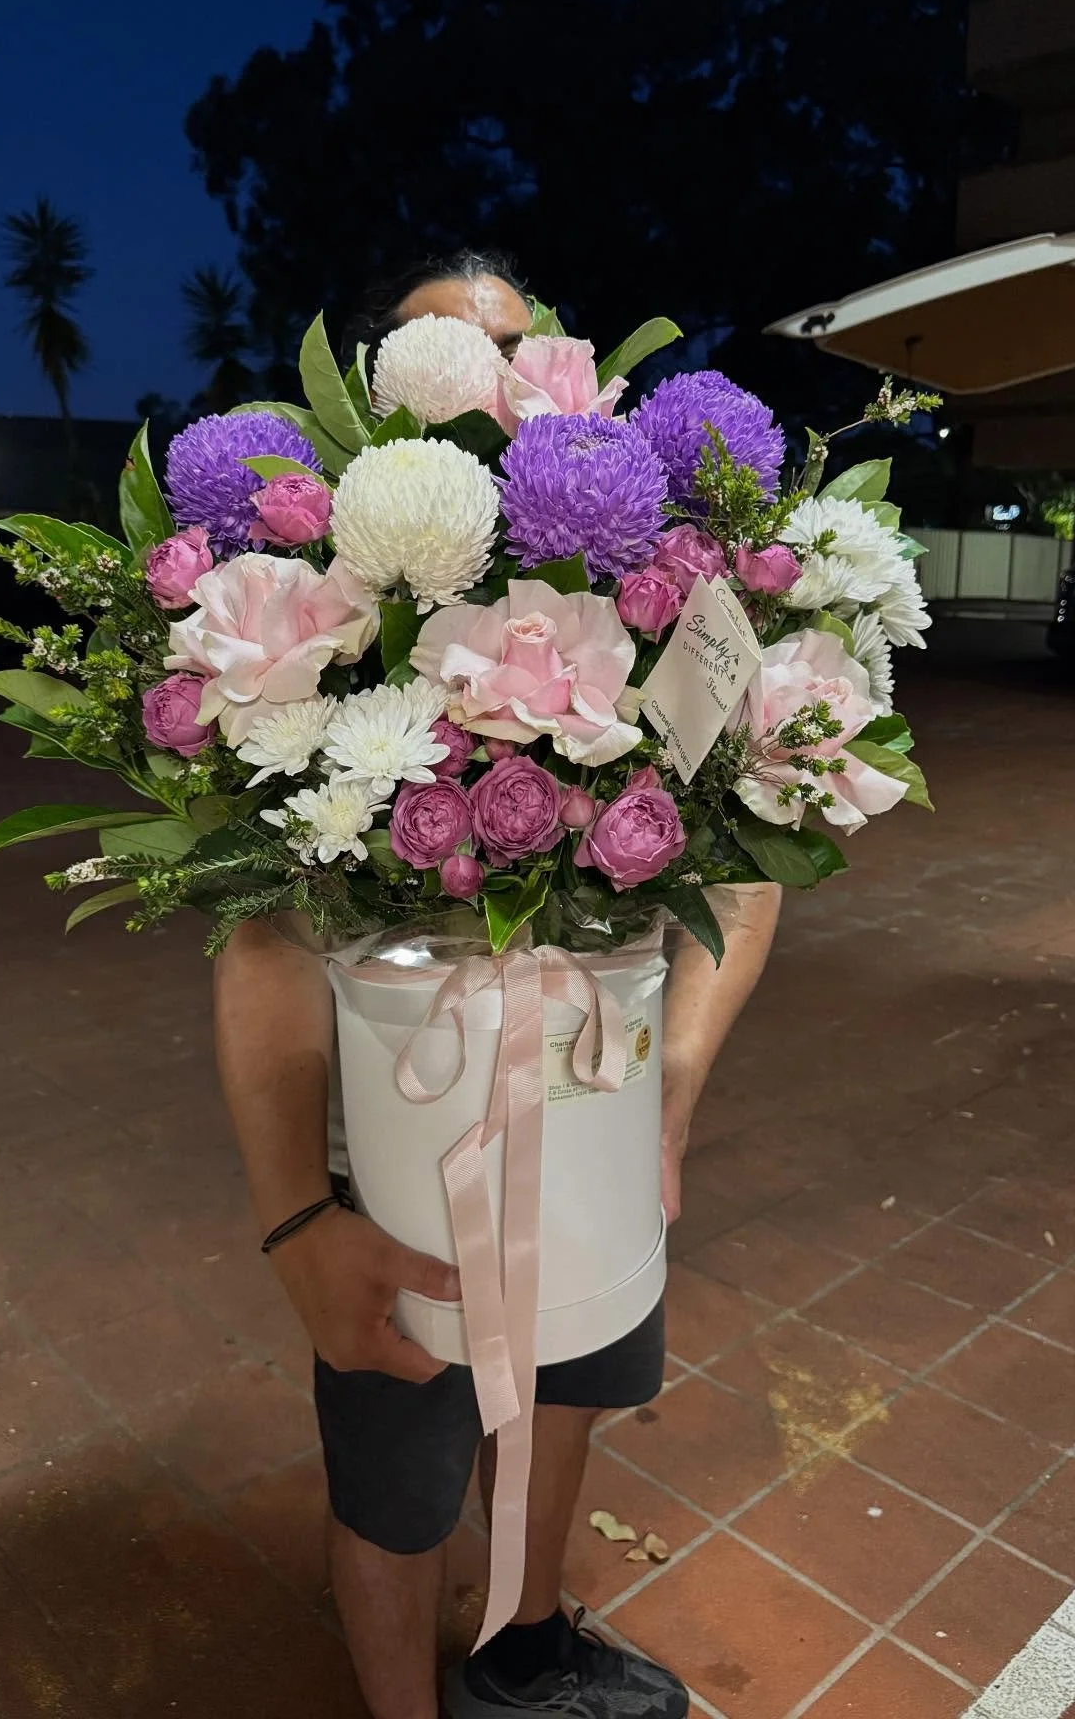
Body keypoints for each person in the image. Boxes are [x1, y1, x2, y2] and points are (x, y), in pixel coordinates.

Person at [214, 251, 783, 1719]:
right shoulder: (320, 629)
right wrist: (297, 1224)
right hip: (399, 1171)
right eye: (439, 362)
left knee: (577, 1386)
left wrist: (668, 1104)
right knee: (399, 1478)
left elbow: (756, 863)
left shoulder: (654, 601)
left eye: (513, 353)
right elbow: (266, 943)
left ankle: (525, 1643)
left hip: (593, 1123)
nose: (486, 386)